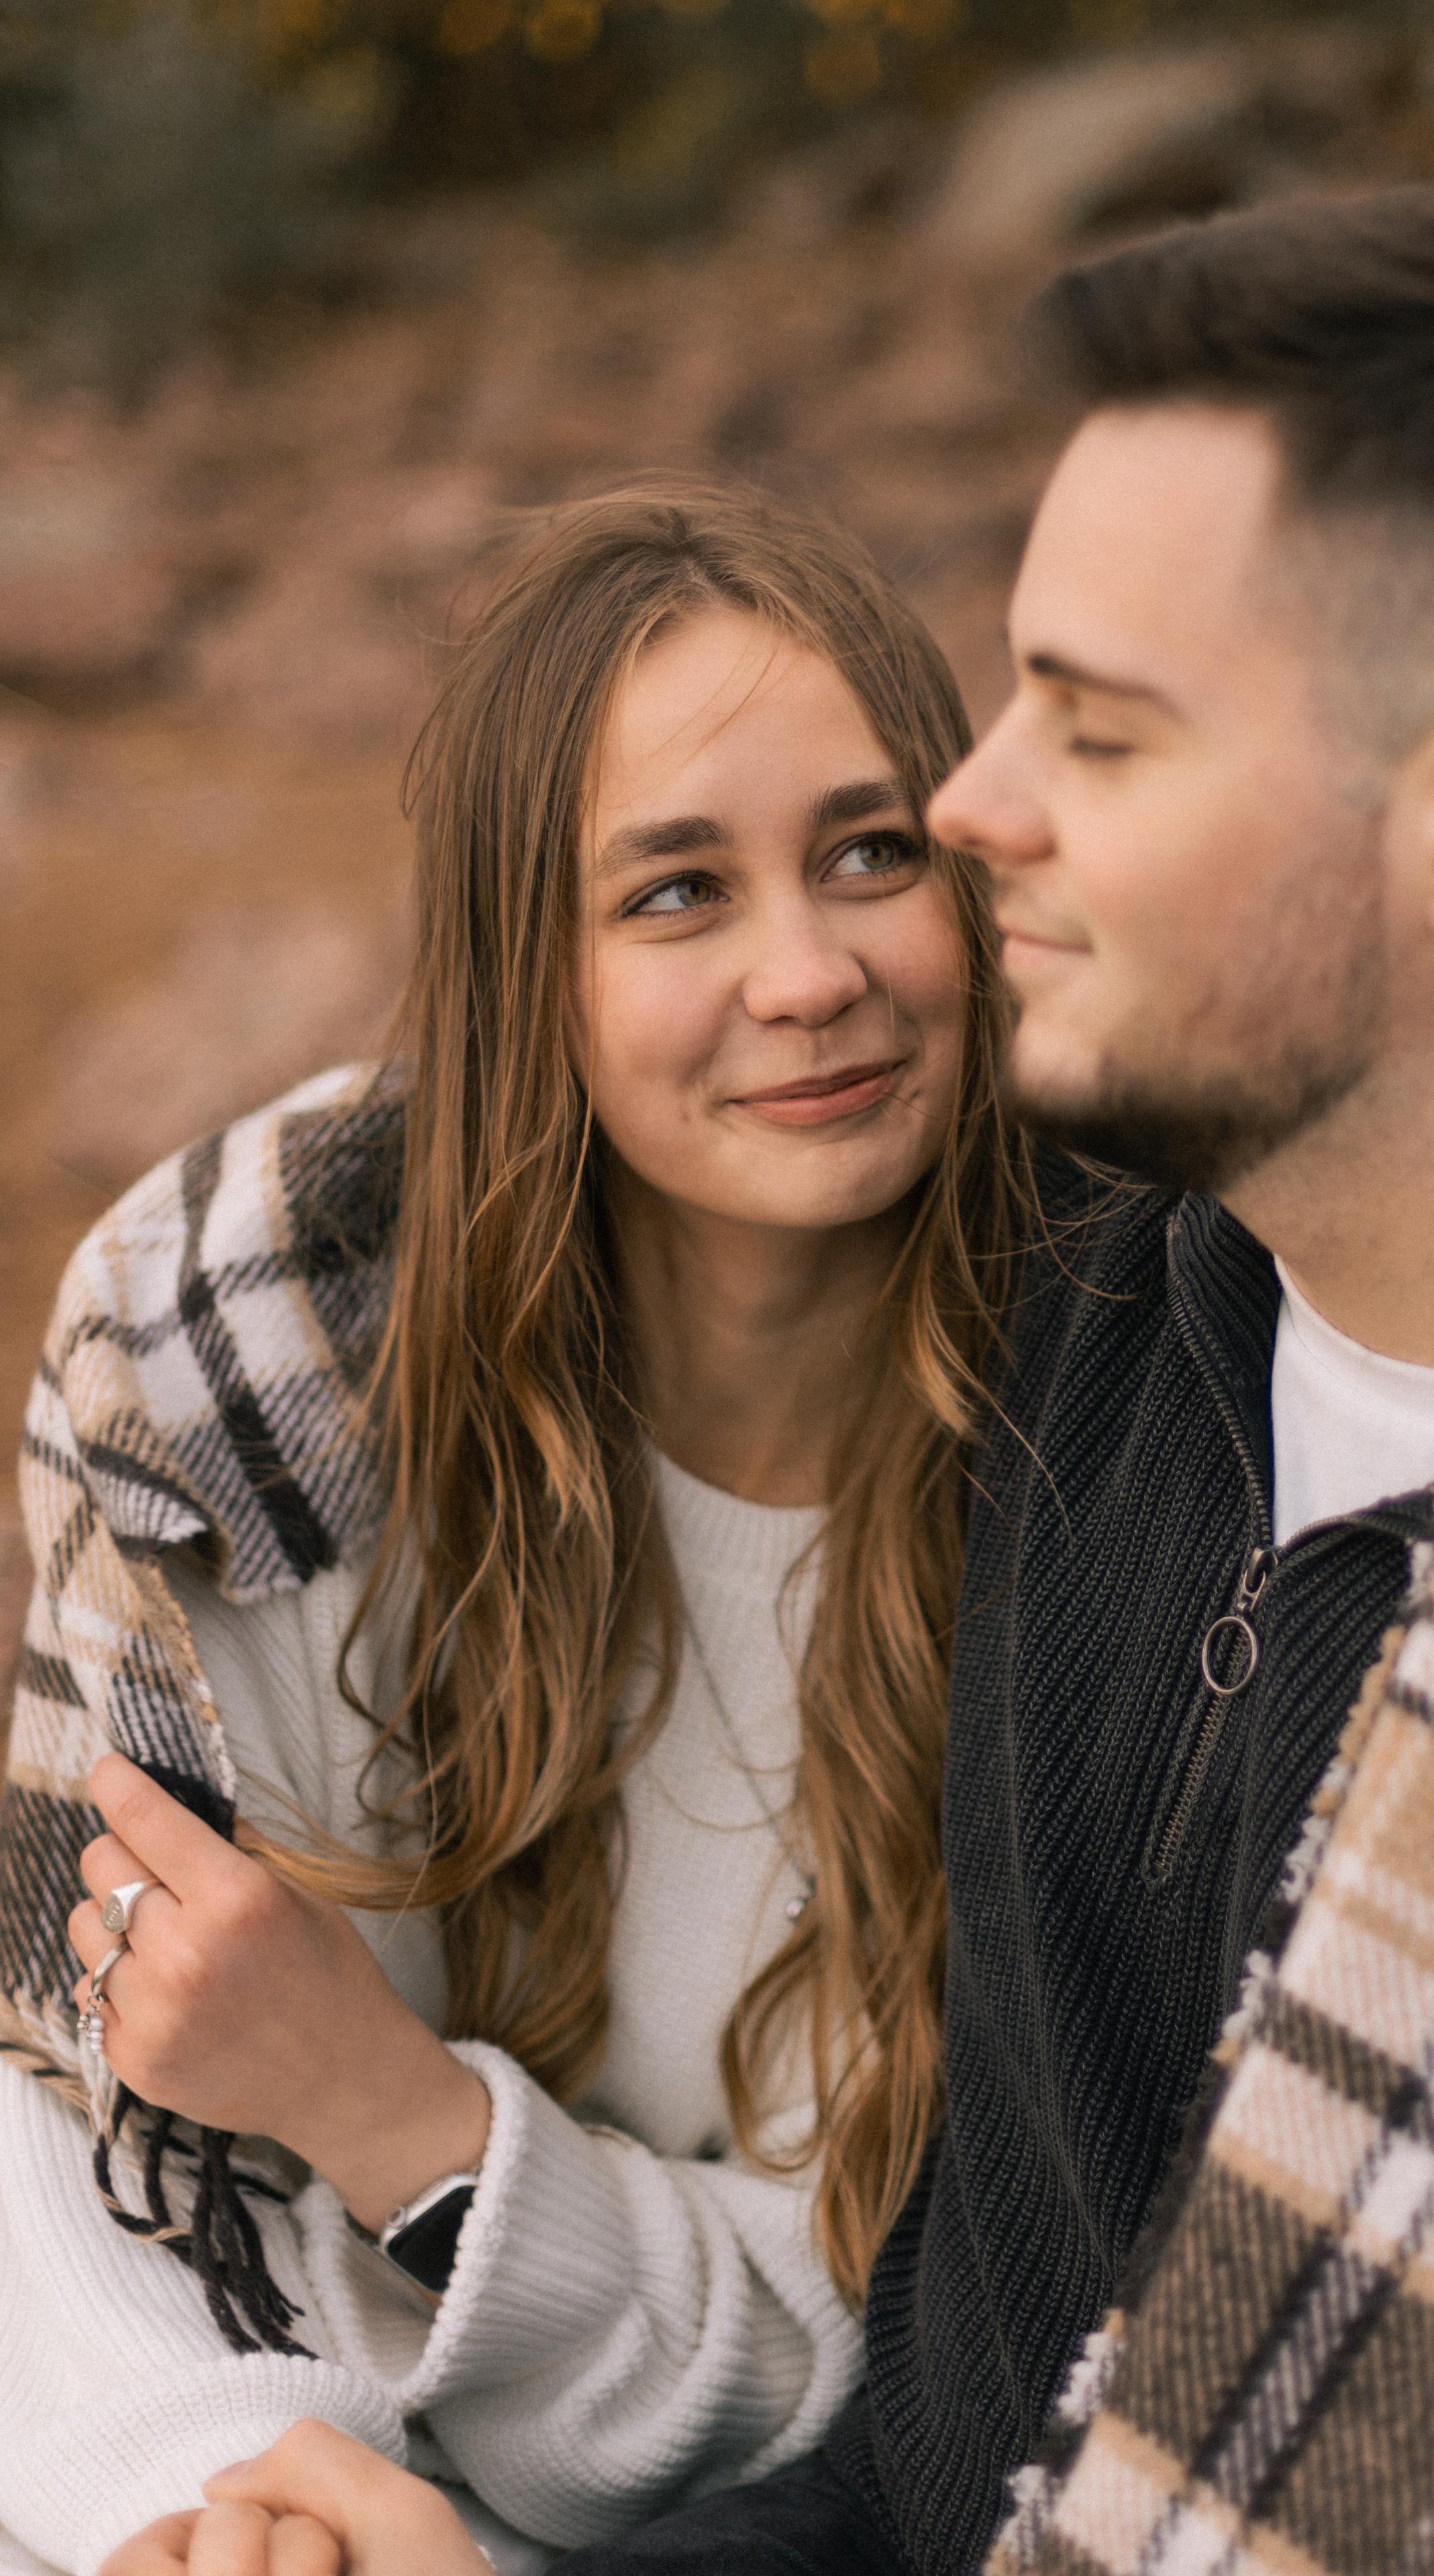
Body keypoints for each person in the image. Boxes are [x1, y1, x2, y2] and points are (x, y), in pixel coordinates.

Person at [70, 184, 1434, 2575]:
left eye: (1101, 730)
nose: (970, 816)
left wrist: (424, 2150)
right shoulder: (1145, 1394)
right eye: (678, 888)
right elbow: (952, 2474)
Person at [0, 478, 1031, 2575]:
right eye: (679, 891)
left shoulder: (1112, 1433)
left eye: (870, 852)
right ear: (521, 970)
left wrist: (400, 2117)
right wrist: (205, 2497)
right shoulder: (243, 1359)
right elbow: (80, 2097)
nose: (809, 972)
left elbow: (917, 2338)